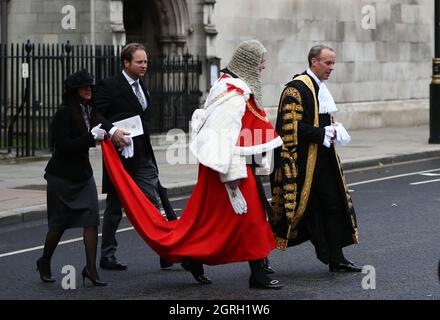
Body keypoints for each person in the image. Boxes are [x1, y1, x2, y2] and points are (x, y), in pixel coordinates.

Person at [100, 39, 284, 289]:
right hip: (229, 168)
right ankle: (255, 272)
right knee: (244, 219)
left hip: (233, 164)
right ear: (250, 63)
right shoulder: (233, 93)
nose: (263, 67)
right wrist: (232, 180)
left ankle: (199, 257)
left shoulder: (234, 88)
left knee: (216, 222)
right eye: (261, 62)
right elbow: (222, 135)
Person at [270, 45, 362, 272]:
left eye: (333, 63)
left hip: (323, 159)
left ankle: (336, 258)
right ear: (314, 62)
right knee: (289, 214)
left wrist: (332, 128)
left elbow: (317, 121)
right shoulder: (296, 88)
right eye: (327, 63)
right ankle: (259, 259)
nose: (332, 68)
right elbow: (289, 127)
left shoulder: (319, 87)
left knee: (332, 205)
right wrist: (323, 133)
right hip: (301, 163)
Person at [94, 43, 176, 271]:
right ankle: (107, 256)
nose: (144, 66)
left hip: (143, 156)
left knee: (152, 202)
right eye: (139, 62)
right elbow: (96, 114)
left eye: (146, 61)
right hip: (119, 158)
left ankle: (166, 251)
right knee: (114, 208)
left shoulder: (142, 87)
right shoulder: (109, 85)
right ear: (126, 63)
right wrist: (112, 131)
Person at [37, 69, 107, 286]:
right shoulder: (64, 114)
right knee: (58, 225)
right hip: (62, 177)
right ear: (73, 91)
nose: (89, 89)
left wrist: (114, 134)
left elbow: (106, 125)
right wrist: (90, 137)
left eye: (90, 86)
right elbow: (65, 147)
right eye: (84, 86)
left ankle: (91, 269)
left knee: (91, 220)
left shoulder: (90, 111)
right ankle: (45, 261)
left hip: (83, 176)